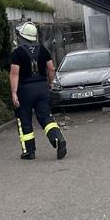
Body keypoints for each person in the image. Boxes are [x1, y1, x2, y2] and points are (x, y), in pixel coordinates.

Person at [9, 21, 67, 160]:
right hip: (42, 88)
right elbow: (51, 69)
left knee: (24, 119)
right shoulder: (43, 49)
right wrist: (49, 83)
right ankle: (58, 139)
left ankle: (29, 152)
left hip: (25, 90)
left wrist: (14, 93)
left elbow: (14, 73)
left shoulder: (18, 53)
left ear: (22, 36)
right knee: (46, 117)